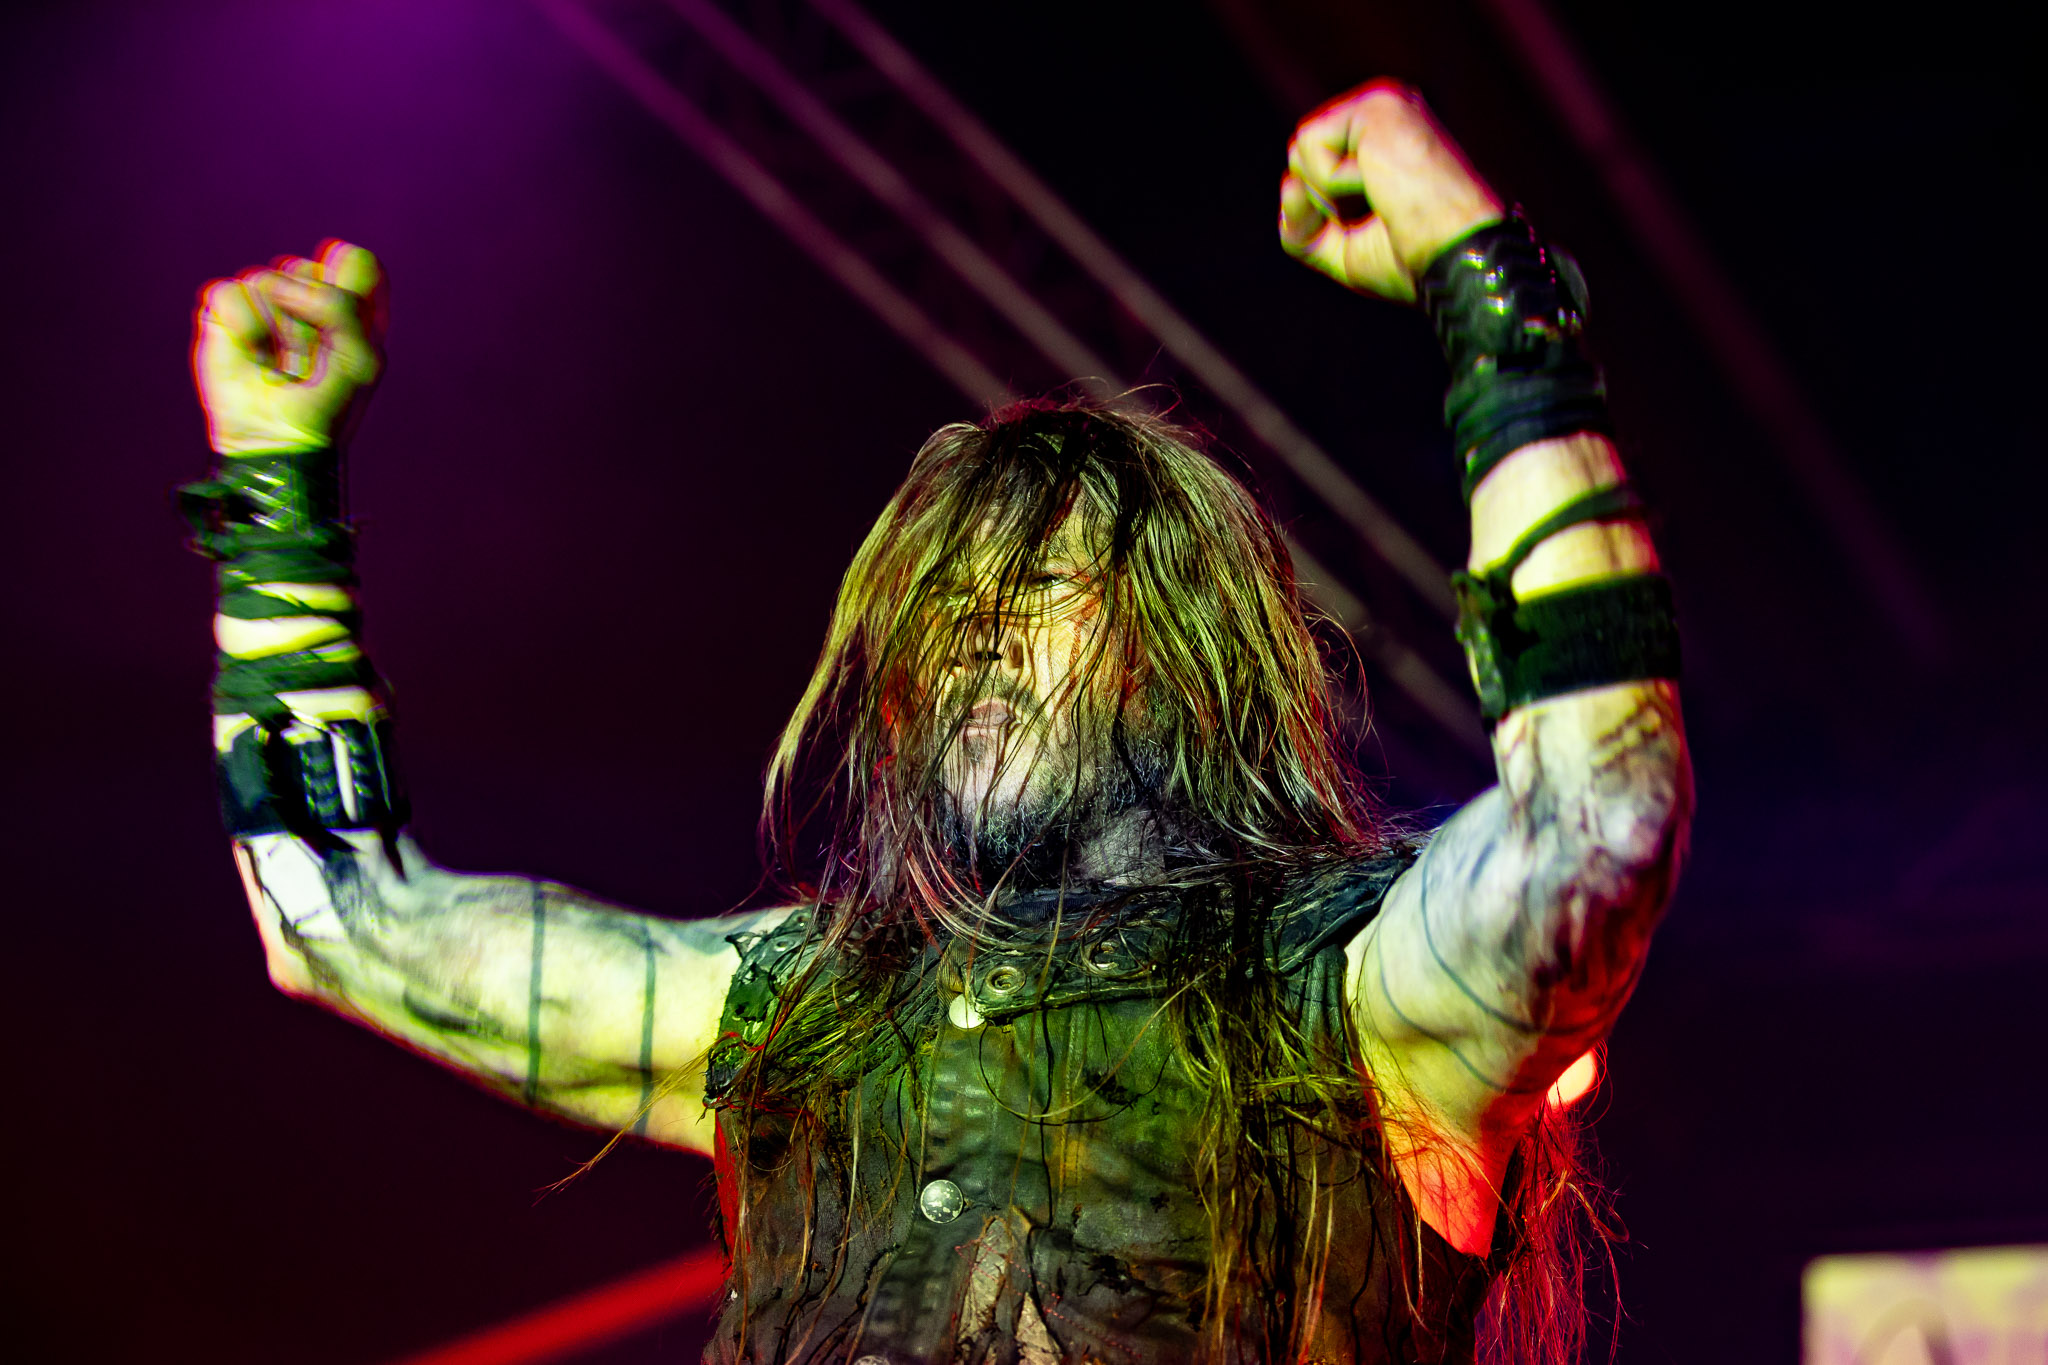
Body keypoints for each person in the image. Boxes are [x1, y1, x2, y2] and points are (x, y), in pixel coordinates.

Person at [181, 82, 1689, 1363]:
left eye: (1035, 584)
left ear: (1182, 653)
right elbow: (336, 919)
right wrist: (273, 493)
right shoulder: (790, 1013)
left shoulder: (1353, 989)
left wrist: (1490, 291)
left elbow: (1603, 813)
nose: (974, 627)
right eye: (941, 603)